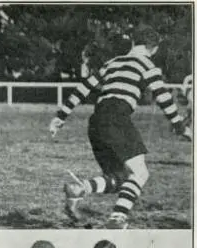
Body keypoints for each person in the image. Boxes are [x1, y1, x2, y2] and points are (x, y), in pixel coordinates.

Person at [50, 24, 191, 228]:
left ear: (133, 43)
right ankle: (117, 219)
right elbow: (164, 98)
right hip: (117, 119)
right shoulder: (148, 66)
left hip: (96, 121)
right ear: (155, 49)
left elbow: (83, 88)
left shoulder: (112, 62)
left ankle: (80, 188)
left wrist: (60, 117)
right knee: (140, 174)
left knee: (120, 178)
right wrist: (180, 128)